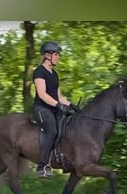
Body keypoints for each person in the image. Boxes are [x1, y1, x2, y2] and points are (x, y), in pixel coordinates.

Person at [32, 41, 78, 178]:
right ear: (47, 55)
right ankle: (42, 167)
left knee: (68, 127)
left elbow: (59, 96)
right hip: (42, 109)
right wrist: (59, 106)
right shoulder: (39, 72)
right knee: (52, 131)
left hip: (54, 108)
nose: (58, 57)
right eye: (56, 54)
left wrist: (73, 106)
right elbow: (42, 94)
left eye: (58, 54)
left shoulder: (55, 74)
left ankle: (64, 160)